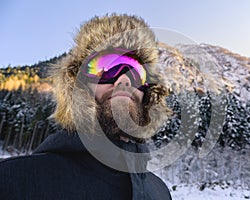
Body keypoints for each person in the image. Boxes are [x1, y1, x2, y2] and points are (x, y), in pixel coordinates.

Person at [0, 14, 172, 200]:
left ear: (148, 93)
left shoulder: (160, 191)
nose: (124, 81)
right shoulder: (14, 181)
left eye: (137, 73)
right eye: (107, 68)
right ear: (78, 85)